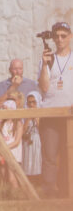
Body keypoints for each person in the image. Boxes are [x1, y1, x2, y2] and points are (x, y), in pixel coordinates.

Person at [38, 20, 73, 197]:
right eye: (56, 36)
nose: (59, 40)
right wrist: (44, 64)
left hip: (70, 115)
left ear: (70, 37)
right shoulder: (48, 59)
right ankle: (50, 194)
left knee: (70, 155)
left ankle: (68, 192)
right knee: (50, 156)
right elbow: (44, 87)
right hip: (50, 113)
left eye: (63, 36)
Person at [0, 96, 24, 189]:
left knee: (12, 178)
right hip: (1, 152)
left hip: (13, 152)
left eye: (5, 109)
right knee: (2, 177)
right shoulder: (1, 123)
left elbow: (17, 142)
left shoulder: (18, 123)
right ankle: (3, 196)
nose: (3, 111)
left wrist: (2, 149)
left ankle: (16, 196)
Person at [22, 91, 42, 181]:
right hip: (28, 140)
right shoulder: (25, 114)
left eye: (34, 102)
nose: (31, 104)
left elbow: (42, 129)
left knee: (38, 160)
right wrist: (29, 118)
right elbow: (23, 130)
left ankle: (39, 180)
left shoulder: (42, 113)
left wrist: (36, 117)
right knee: (28, 160)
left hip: (38, 139)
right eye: (29, 102)